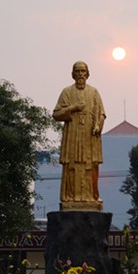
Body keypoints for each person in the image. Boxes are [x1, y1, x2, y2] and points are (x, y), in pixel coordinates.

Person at [53, 61, 106, 210]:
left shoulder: (94, 92)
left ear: (87, 74)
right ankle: (71, 198)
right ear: (73, 74)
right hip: (73, 136)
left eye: (83, 71)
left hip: (89, 137)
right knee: (72, 165)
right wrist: (73, 107)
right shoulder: (67, 92)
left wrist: (98, 125)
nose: (81, 74)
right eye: (78, 71)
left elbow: (101, 114)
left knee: (90, 165)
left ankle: (90, 197)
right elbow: (56, 114)